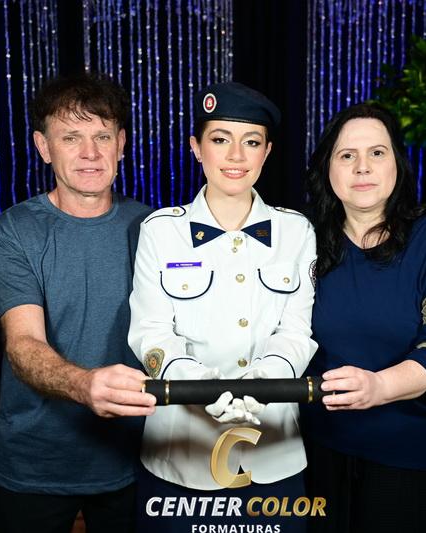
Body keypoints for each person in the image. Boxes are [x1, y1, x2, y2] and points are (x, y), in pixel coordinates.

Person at [128, 82, 317, 531]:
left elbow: (297, 332)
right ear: (196, 148)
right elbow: (151, 334)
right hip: (181, 454)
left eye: (251, 142)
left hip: (273, 452)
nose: (235, 156)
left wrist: (264, 384)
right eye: (220, 139)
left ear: (266, 152)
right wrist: (202, 389)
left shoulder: (296, 231)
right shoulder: (160, 231)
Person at [0, 72, 157, 533]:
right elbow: (23, 344)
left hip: (133, 457)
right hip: (35, 461)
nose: (90, 153)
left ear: (121, 144)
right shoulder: (14, 231)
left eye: (102, 136)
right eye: (71, 137)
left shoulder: (155, 229)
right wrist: (84, 385)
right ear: (44, 147)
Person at [300, 102, 426, 532]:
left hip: (407, 453)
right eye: (347, 155)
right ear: (328, 168)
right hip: (317, 450)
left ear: (397, 164)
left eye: (377, 153)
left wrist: (379, 386)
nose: (362, 167)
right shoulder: (304, 239)